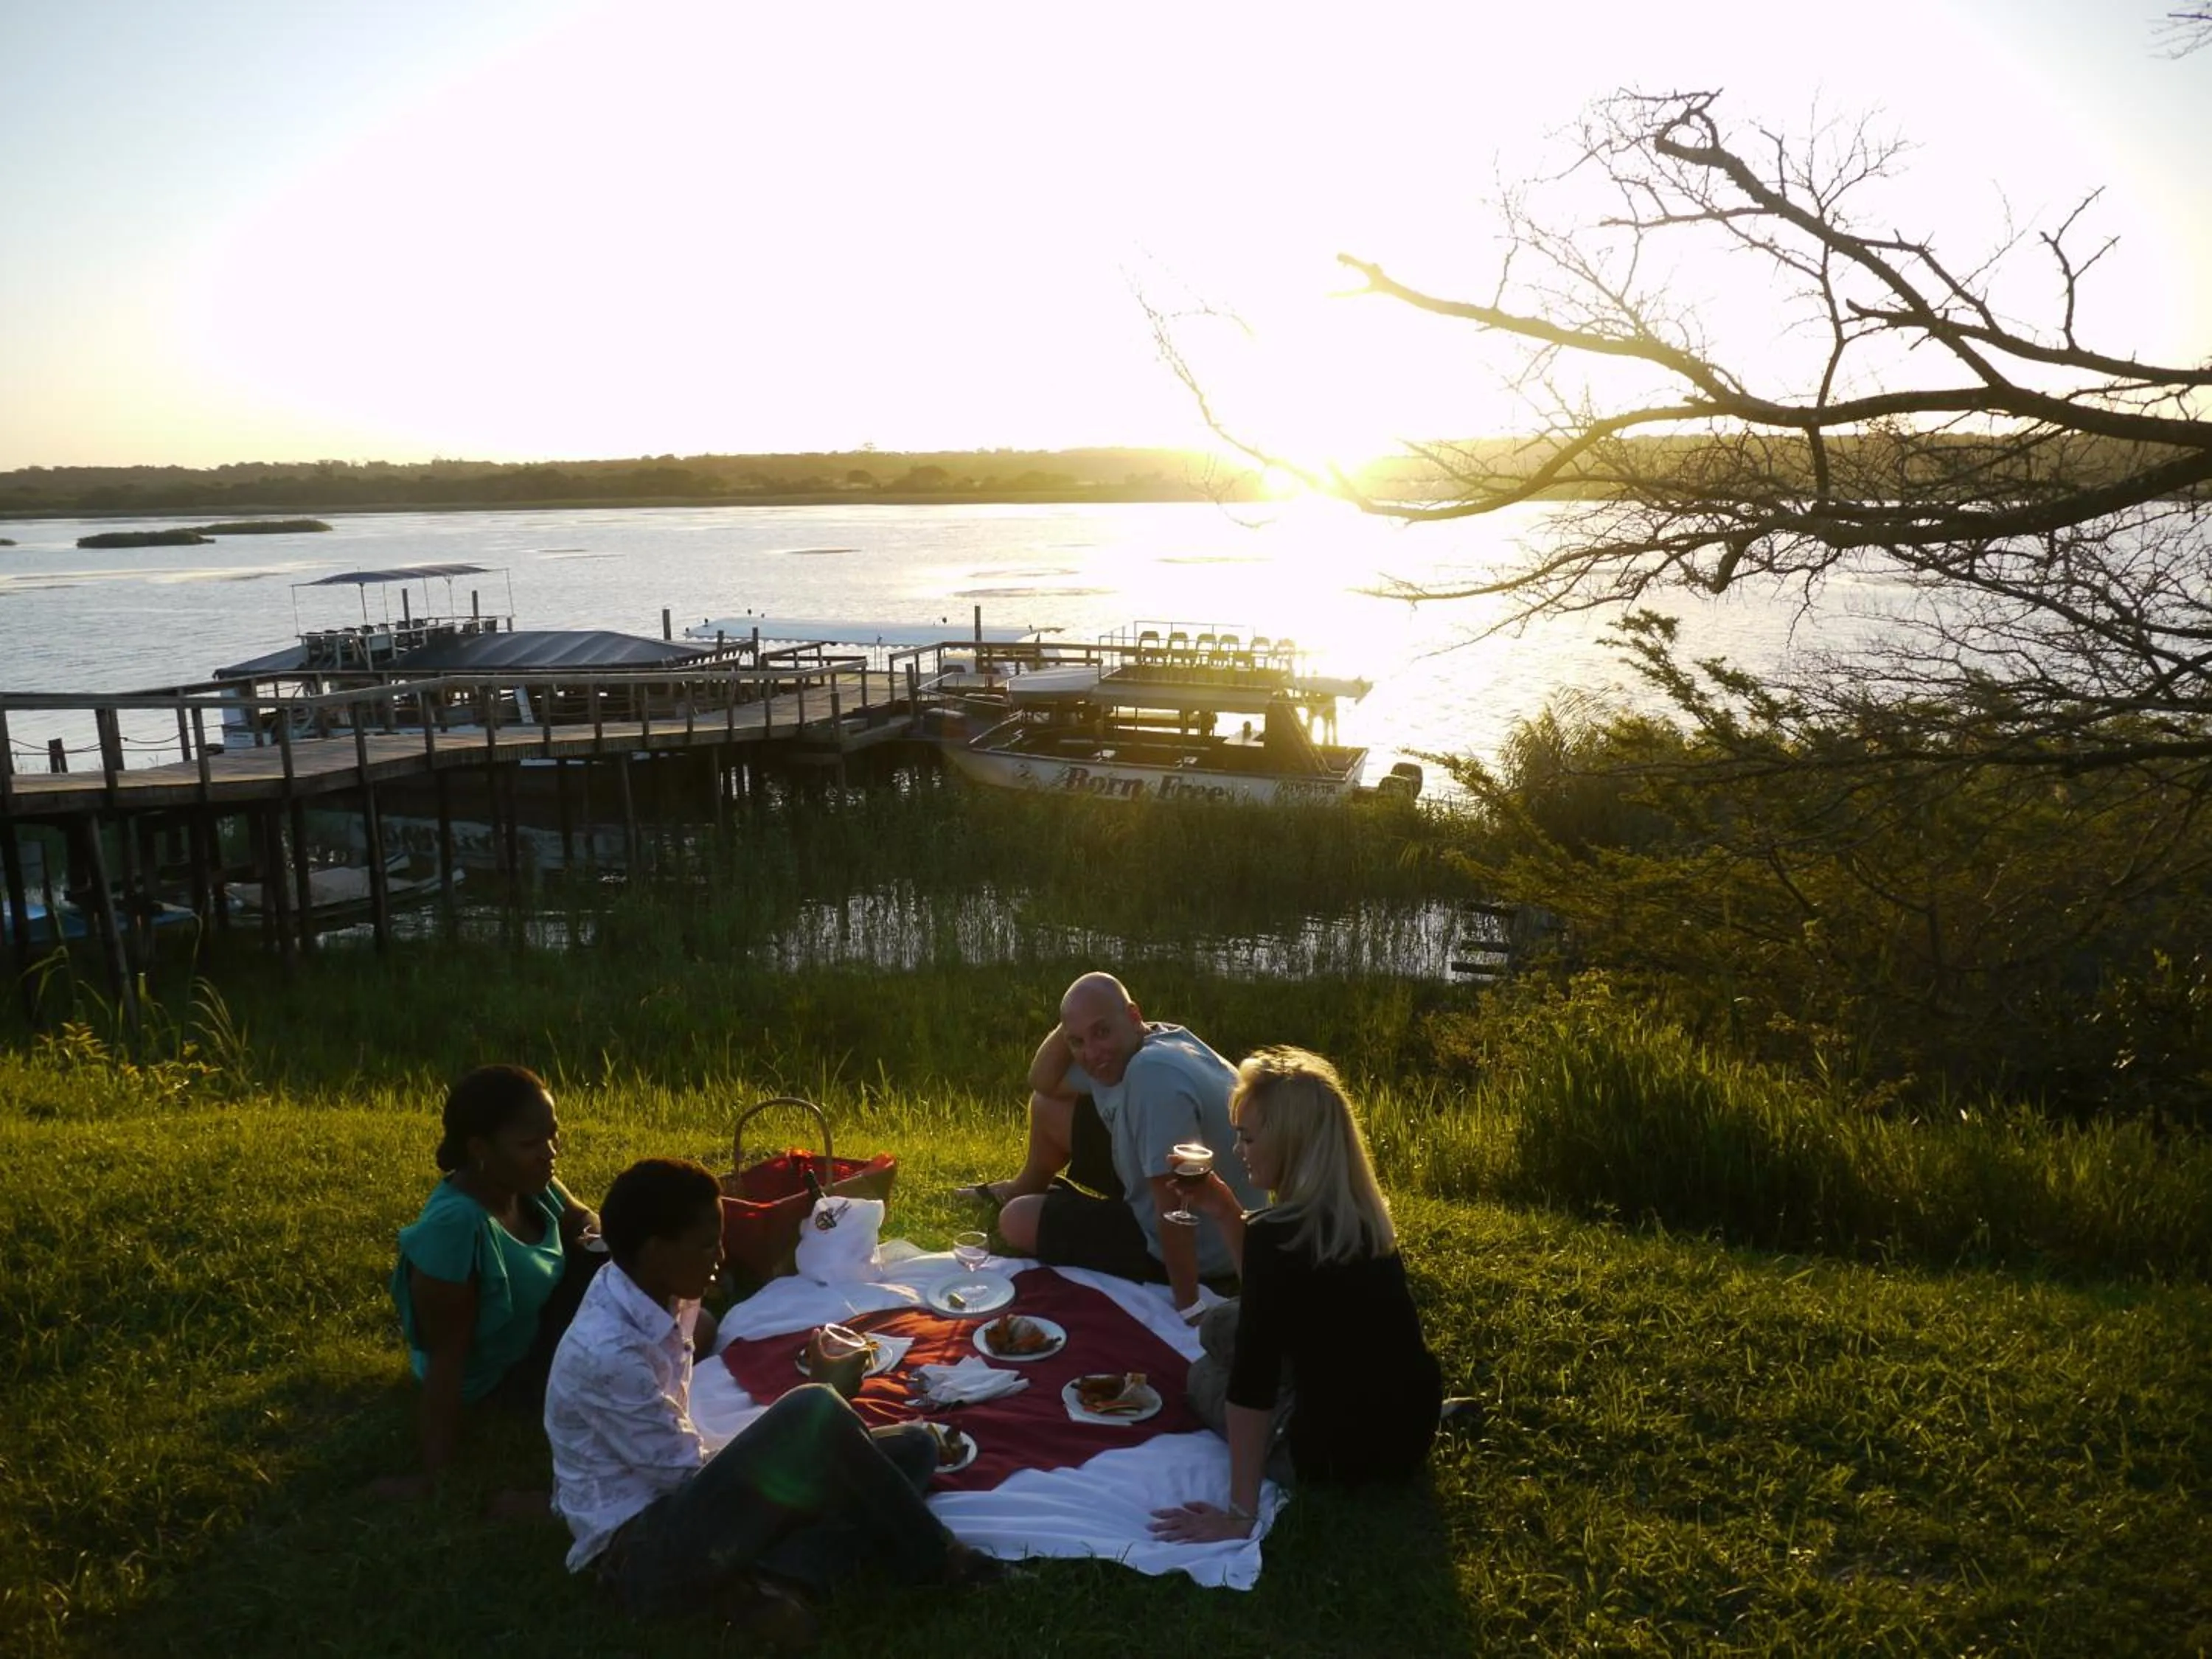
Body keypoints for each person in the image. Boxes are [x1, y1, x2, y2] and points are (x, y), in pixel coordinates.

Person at [545, 1156, 1005, 1631]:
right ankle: (941, 1559)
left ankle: (781, 1580)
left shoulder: (656, 1287)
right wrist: (815, 1408)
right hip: (646, 1549)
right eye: (707, 1246)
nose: (720, 1257)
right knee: (815, 1411)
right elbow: (682, 1478)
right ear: (657, 1251)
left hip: (687, 1499)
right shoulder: (608, 1351)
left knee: (913, 1446)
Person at [1149, 1047, 1444, 1545]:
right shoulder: (1364, 1220)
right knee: (1227, 1324)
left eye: (1247, 1137)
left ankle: (1281, 1432)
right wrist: (1226, 1213)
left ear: (1290, 1141)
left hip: (1331, 1452)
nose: (1239, 1151)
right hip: (1408, 1433)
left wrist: (1239, 1514)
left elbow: (1251, 1384)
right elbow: (1272, 1300)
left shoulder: (1276, 1238)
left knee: (1206, 1365)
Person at [375, 1064, 605, 1501]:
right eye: (530, 1143)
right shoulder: (457, 1230)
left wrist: (598, 1246)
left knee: (638, 1263)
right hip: (501, 1374)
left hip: (538, 1321)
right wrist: (435, 1477)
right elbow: (446, 1362)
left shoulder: (527, 1179)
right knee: (675, 1330)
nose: (550, 1152)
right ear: (481, 1148)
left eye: (553, 1135)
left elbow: (584, 1219)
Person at [988, 972, 1265, 1321]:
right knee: (1048, 1107)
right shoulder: (1153, 1038)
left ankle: (1054, 1203)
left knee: (1016, 1220)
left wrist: (1188, 1305)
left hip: (1208, 1244)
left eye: (1101, 1031)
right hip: (1199, 1195)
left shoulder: (1153, 1077)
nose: (1090, 1053)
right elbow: (1043, 1081)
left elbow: (1174, 1204)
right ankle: (1023, 1186)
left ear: (1133, 1017)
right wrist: (1084, 1012)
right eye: (1077, 1041)